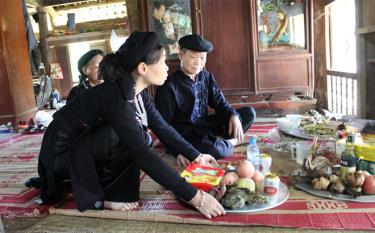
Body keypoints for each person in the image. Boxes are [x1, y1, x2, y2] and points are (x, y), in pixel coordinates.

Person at [35, 31, 225, 219]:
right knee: (127, 138)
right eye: (163, 62)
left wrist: (197, 155)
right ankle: (96, 197)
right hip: (61, 156)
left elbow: (162, 127)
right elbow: (141, 153)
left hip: (86, 147)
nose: (167, 68)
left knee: (140, 136)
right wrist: (195, 197)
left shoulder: (138, 92)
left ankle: (109, 190)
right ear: (143, 68)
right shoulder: (116, 95)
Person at [155, 34, 256, 164]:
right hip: (185, 133)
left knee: (248, 114)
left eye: (202, 58)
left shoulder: (206, 77)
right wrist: (177, 151)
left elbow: (219, 103)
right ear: (181, 55)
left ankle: (221, 141)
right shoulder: (168, 86)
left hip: (205, 126)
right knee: (214, 150)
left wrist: (233, 115)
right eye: (193, 57)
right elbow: (163, 125)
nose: (198, 63)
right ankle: (234, 141)